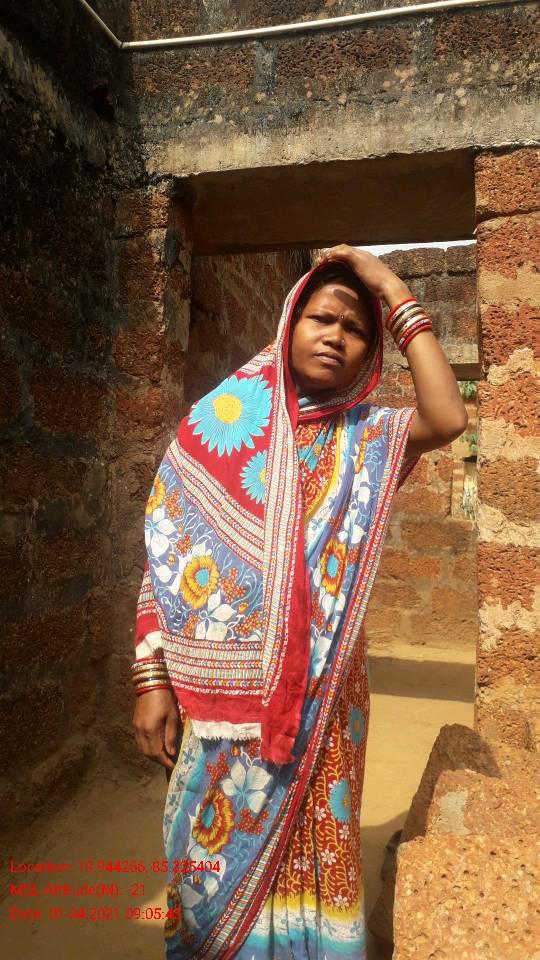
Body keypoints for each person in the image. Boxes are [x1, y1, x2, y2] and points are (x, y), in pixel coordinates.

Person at [132, 245, 468, 959]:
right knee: (209, 867)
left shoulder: (368, 438)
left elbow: (446, 417)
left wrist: (391, 287)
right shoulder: (218, 428)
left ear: (371, 353)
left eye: (356, 329)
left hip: (326, 700)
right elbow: (169, 556)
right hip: (221, 714)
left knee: (317, 844)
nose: (335, 336)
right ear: (288, 325)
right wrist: (151, 677)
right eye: (322, 318)